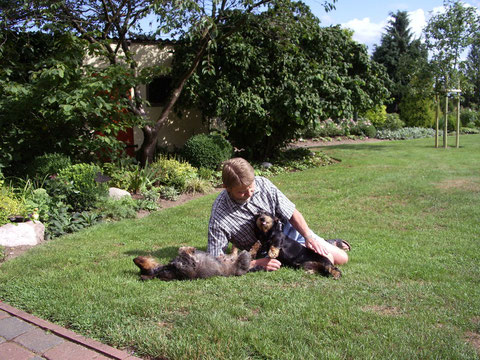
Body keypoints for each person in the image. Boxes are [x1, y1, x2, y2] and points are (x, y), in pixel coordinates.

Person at [207, 157, 349, 271]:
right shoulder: (220, 216)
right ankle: (327, 243)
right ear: (226, 188)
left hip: (287, 234)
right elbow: (215, 259)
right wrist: (255, 263)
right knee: (328, 260)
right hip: (263, 250)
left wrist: (308, 236)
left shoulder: (263, 184)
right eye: (242, 191)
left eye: (251, 187)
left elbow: (291, 212)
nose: (249, 193)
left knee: (341, 258)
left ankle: (327, 242)